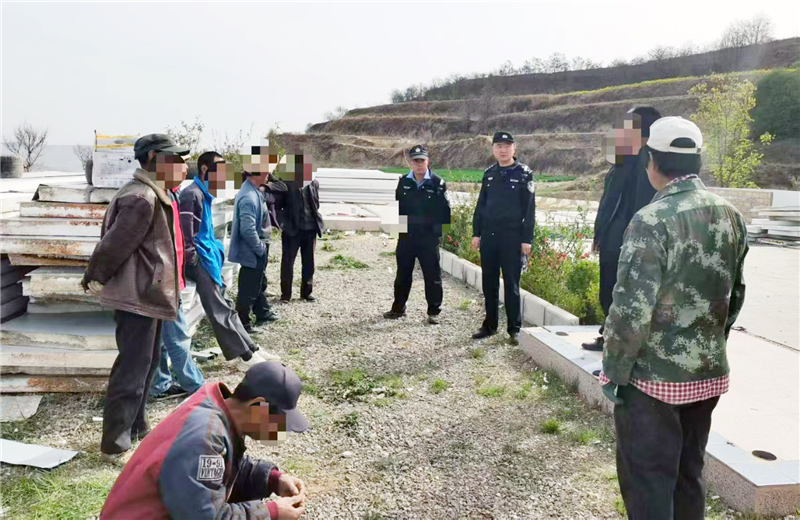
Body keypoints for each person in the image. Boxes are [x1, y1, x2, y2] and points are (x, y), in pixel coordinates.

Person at [599, 117, 748, 520]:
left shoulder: (652, 220)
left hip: (654, 381)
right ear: (697, 161)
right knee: (688, 475)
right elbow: (735, 294)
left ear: (651, 161)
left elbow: (631, 310)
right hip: (709, 373)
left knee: (649, 482)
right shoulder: (731, 215)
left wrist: (614, 371)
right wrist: (710, 344)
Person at [82, 134, 188, 460]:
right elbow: (115, 244)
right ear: (155, 158)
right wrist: (95, 276)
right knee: (132, 368)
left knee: (147, 364)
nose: (183, 167)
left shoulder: (154, 193)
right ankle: (114, 444)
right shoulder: (142, 197)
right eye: (177, 160)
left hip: (149, 294)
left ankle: (137, 427)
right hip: (138, 296)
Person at [101, 362, 309, 519]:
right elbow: (205, 516)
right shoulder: (204, 439)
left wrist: (272, 479)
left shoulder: (216, 410)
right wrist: (271, 513)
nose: (280, 431)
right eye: (279, 423)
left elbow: (220, 469)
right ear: (256, 406)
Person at [181, 151, 276, 371]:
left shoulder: (203, 193)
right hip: (200, 260)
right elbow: (187, 237)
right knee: (219, 310)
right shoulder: (192, 194)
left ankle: (251, 347)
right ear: (205, 169)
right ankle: (245, 357)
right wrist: (195, 262)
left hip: (209, 258)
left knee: (227, 306)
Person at [582, 106, 661, 352]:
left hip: (629, 241)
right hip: (612, 238)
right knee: (609, 289)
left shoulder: (650, 163)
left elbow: (642, 206)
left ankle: (622, 344)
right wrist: (600, 234)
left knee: (625, 292)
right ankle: (609, 337)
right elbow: (608, 201)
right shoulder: (623, 159)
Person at [470, 132, 536, 345]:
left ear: (514, 148)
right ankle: (490, 325)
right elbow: (481, 205)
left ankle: (514, 328)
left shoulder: (524, 173)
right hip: (489, 237)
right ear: (493, 149)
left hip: (512, 238)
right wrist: (476, 233)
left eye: (507, 146)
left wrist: (526, 239)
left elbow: (530, 209)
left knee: (511, 284)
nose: (503, 150)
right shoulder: (489, 173)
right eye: (498, 146)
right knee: (489, 283)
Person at [383, 145, 451, 324]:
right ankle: (398, 308)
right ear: (410, 163)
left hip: (428, 239)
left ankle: (434, 312)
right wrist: (398, 231)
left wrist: (438, 235)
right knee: (403, 275)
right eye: (415, 161)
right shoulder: (403, 182)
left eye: (422, 160)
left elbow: (445, 212)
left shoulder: (437, 183)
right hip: (407, 236)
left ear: (428, 161)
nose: (419, 164)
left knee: (432, 276)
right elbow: (398, 208)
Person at [231, 148, 280, 333]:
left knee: (257, 282)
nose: (269, 175)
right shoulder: (249, 197)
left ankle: (262, 312)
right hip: (253, 249)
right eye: (266, 172)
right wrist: (260, 248)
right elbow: (247, 229)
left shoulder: (252, 191)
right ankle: (242, 324)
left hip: (256, 247)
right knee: (248, 288)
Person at [274, 154, 323, 302]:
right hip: (292, 230)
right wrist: (284, 224)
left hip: (310, 228)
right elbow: (277, 207)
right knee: (288, 262)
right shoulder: (285, 184)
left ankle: (306, 292)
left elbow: (316, 204)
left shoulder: (314, 183)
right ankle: (286, 294)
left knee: (309, 262)